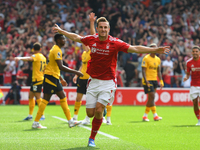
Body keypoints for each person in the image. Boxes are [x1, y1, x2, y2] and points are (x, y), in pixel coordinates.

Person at [52, 12, 170, 147]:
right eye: (101, 27)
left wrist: (153, 49)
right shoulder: (92, 39)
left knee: (98, 109)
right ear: (97, 28)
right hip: (93, 81)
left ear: (109, 29)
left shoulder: (115, 42)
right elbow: (76, 37)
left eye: (105, 27)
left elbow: (134, 48)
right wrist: (61, 31)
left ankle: (92, 138)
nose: (103, 29)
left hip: (108, 82)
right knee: (90, 114)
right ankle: (99, 116)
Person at [31, 34, 83, 129]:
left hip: (54, 77)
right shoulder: (56, 50)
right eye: (63, 39)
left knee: (62, 96)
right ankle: (35, 122)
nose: (65, 40)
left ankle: (70, 121)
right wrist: (76, 72)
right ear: (58, 40)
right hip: (50, 78)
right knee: (46, 99)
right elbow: (61, 66)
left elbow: (54, 67)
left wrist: (61, 79)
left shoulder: (56, 49)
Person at [14, 42, 46, 121]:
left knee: (38, 97)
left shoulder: (36, 56)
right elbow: (45, 69)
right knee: (30, 96)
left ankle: (42, 115)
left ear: (33, 49)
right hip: (38, 78)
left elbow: (29, 59)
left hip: (37, 79)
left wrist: (19, 58)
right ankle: (30, 115)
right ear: (40, 49)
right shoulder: (43, 57)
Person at [141, 43, 164, 122]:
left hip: (154, 80)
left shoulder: (158, 59)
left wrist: (161, 80)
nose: (154, 49)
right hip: (148, 80)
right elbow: (143, 70)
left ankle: (145, 116)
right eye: (153, 48)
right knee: (152, 97)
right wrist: (146, 80)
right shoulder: (146, 58)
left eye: (155, 48)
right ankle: (155, 115)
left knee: (151, 98)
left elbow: (159, 71)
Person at [72, 44, 91, 125]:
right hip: (81, 78)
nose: (83, 45)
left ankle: (87, 118)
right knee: (78, 98)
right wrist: (76, 75)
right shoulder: (83, 53)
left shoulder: (92, 53)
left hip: (89, 79)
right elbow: (82, 66)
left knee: (89, 100)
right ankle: (75, 117)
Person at [183, 46, 200, 126]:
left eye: (196, 51)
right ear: (192, 53)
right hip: (194, 85)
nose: (195, 53)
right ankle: (199, 120)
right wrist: (186, 77)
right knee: (195, 103)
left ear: (199, 52)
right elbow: (187, 73)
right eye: (194, 51)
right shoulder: (189, 62)